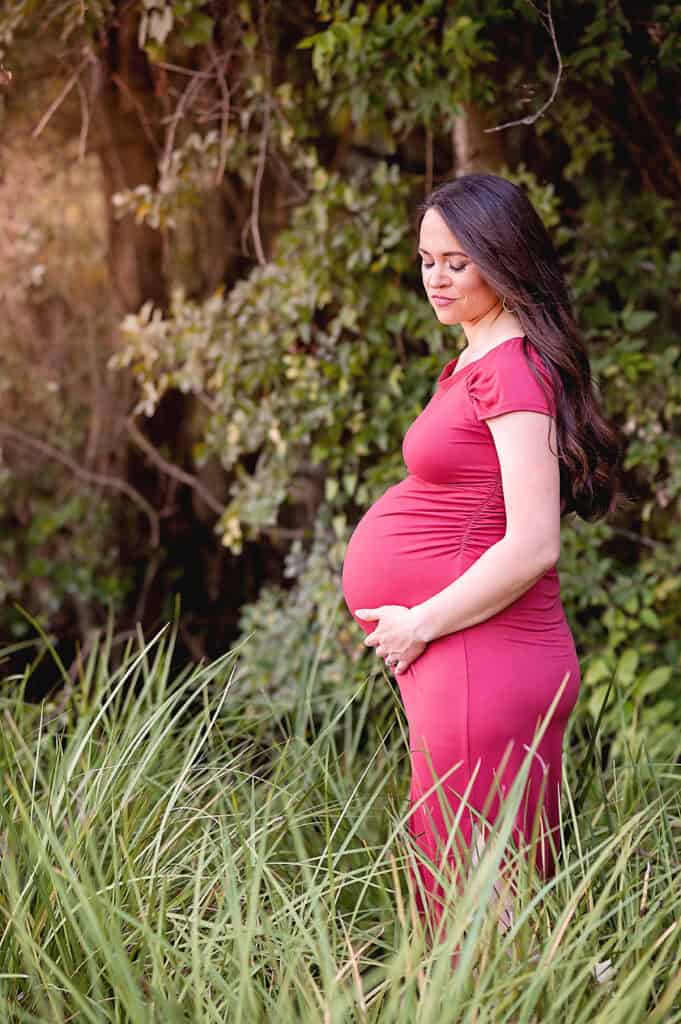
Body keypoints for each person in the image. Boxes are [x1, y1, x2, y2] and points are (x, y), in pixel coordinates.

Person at [340, 173, 625, 942]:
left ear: (502, 261)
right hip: (468, 659)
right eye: (427, 258)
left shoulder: (510, 372)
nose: (436, 277)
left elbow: (533, 542)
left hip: (481, 659)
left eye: (456, 261)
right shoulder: (479, 360)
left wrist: (418, 625)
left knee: (476, 904)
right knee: (493, 894)